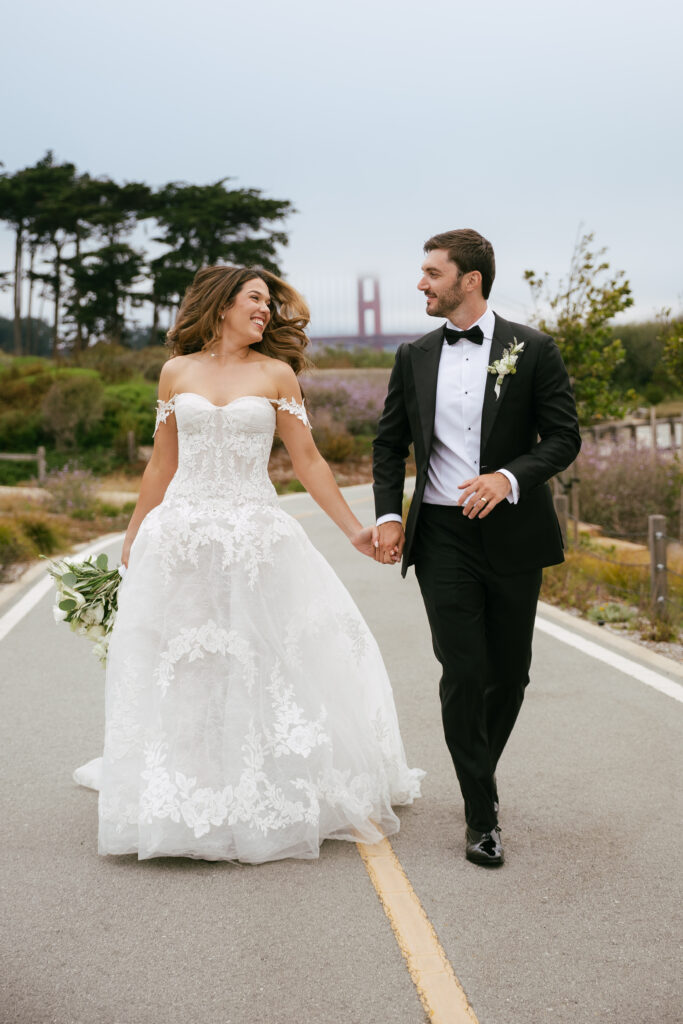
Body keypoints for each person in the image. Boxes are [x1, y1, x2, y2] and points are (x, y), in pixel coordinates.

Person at [75, 265, 423, 863]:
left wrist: (353, 531)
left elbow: (309, 460)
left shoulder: (276, 373)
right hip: (181, 538)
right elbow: (161, 464)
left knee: (262, 657)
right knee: (187, 660)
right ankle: (190, 786)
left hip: (256, 538)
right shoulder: (175, 372)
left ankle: (260, 781)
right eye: (255, 300)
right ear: (221, 305)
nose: (266, 311)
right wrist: (135, 534)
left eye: (268, 303)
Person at [372, 229, 581, 866]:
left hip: (513, 532)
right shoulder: (412, 356)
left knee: (509, 675)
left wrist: (508, 478)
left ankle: (476, 775)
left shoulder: (534, 348)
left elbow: (564, 437)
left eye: (432, 273)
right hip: (442, 536)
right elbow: (389, 444)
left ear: (471, 281)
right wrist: (387, 513)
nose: (421, 284)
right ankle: (481, 815)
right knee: (463, 670)